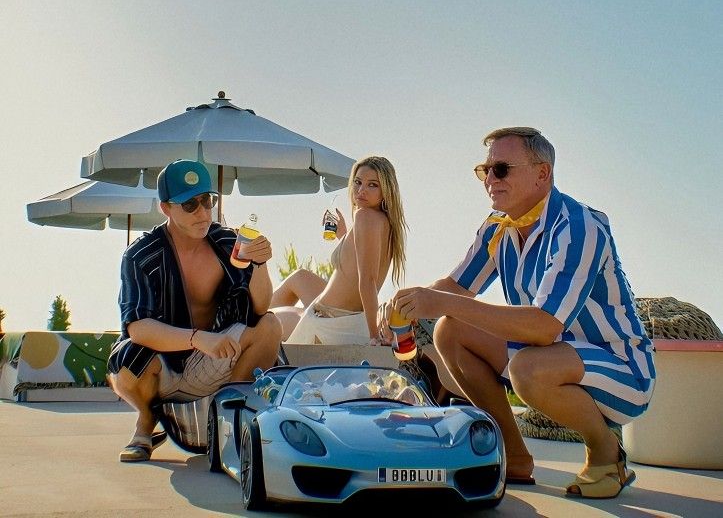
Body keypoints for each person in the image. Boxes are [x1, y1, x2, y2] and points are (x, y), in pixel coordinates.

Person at [384, 127, 655, 499]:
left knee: (527, 367)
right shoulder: (498, 227)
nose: (490, 181)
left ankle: (607, 454)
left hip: (623, 370)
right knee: (451, 331)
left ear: (542, 173)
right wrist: (407, 304)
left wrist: (442, 302)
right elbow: (457, 287)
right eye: (485, 171)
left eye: (501, 169)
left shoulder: (578, 227)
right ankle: (513, 454)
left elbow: (544, 327)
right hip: (552, 356)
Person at [107, 159, 282, 462]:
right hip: (165, 365)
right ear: (165, 208)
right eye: (190, 205)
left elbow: (260, 307)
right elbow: (137, 327)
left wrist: (260, 264)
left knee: (270, 326)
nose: (202, 213)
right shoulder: (141, 254)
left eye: (207, 201)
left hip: (216, 359)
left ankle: (227, 421)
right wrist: (197, 338)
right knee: (125, 364)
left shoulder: (228, 242)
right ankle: (146, 423)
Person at [270, 156, 408, 345]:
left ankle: (237, 322)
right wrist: (343, 235)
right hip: (346, 317)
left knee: (263, 321)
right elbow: (357, 264)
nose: (361, 190)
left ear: (386, 190)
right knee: (299, 276)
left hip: (328, 323)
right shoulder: (385, 222)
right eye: (358, 183)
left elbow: (368, 280)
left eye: (372, 185)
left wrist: (374, 336)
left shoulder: (364, 216)